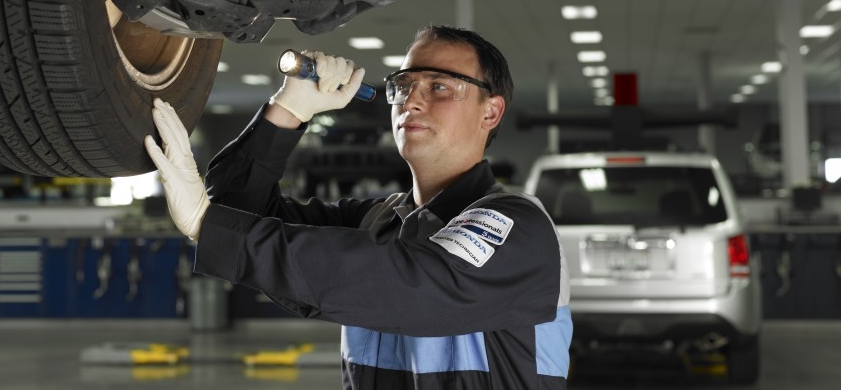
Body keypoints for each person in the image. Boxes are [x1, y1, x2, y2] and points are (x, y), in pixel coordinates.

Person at [146, 25, 571, 389]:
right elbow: (239, 214)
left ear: (491, 112)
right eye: (404, 86)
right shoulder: (378, 223)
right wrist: (287, 111)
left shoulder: (517, 226)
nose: (411, 101)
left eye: (439, 86)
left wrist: (208, 224)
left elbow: (403, 283)